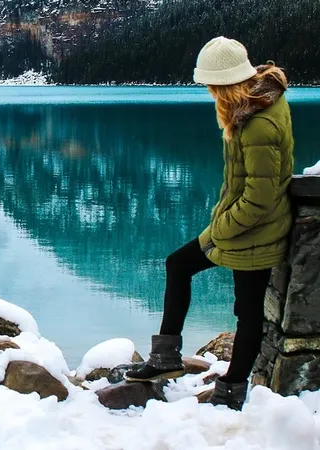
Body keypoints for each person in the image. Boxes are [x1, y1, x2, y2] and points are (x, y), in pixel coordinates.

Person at [125, 36, 294, 411]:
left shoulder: (259, 125)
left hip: (256, 231)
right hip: (238, 226)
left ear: (227, 82)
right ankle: (166, 357)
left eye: (212, 85)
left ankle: (231, 390)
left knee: (247, 313)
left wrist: (222, 228)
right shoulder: (252, 107)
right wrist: (222, 224)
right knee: (178, 263)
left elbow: (260, 197)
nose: (209, 92)